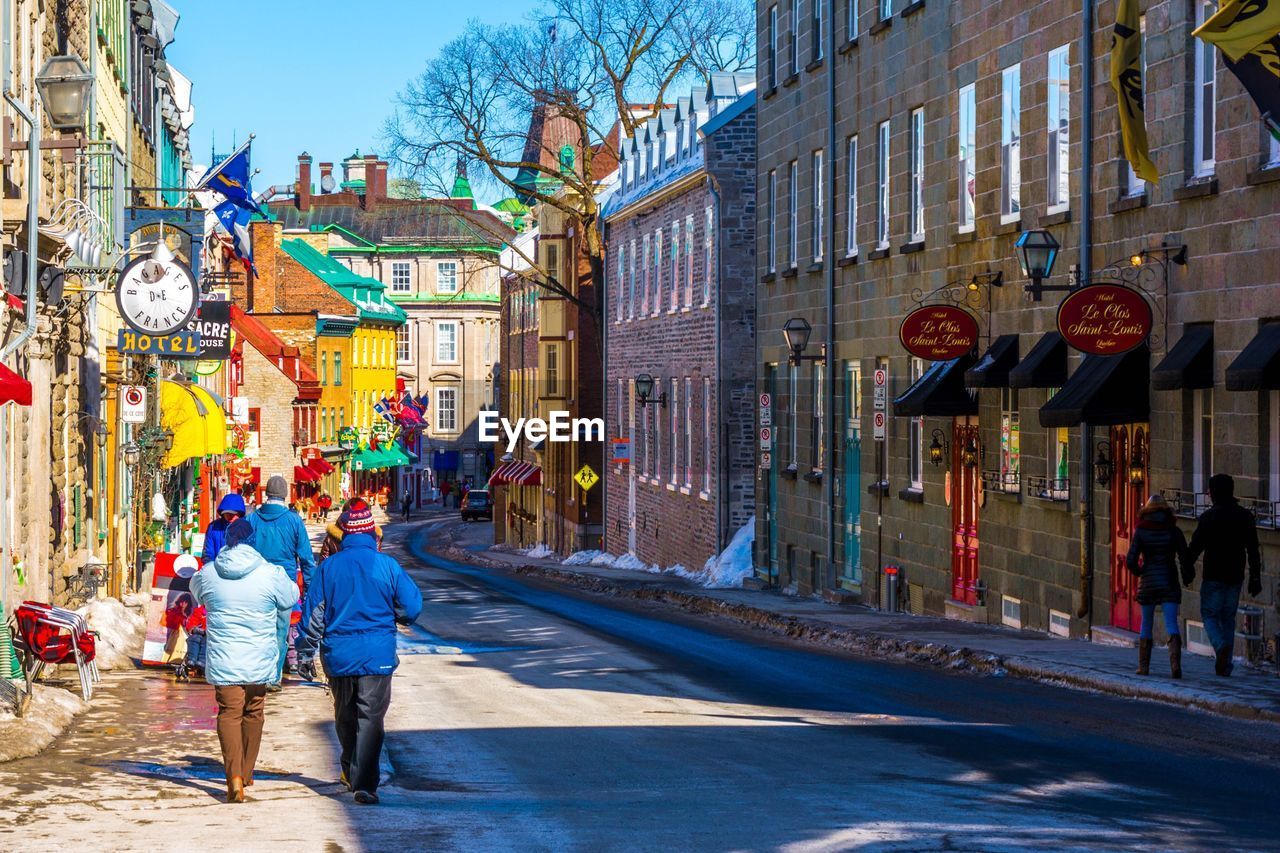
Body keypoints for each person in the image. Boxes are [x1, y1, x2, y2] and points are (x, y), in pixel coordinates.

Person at [296, 500, 423, 805]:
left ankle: (349, 767)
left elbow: (313, 614)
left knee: (344, 714)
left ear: (343, 533)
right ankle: (364, 782)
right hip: (377, 656)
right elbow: (412, 607)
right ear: (371, 532)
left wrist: (304, 651)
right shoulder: (387, 566)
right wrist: (396, 614)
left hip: (338, 655)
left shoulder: (329, 568)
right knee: (371, 717)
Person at [191, 520, 299, 803]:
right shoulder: (269, 573)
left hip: (225, 659)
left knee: (228, 712)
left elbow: (196, 590)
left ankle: (234, 777)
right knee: (254, 711)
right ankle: (248, 771)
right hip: (258, 659)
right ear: (254, 543)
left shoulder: (211, 572)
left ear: (227, 542)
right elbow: (290, 597)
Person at [1186, 473, 1263, 676]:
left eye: (1210, 490)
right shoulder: (1244, 516)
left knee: (1210, 614)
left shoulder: (1209, 517)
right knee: (1228, 618)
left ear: (1215, 492)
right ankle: (1225, 665)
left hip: (1214, 575)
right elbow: (1253, 549)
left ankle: (1220, 647)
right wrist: (1255, 576)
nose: (1208, 494)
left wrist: (1187, 568)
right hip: (1235, 575)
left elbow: (1195, 546)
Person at [248, 475, 316, 688]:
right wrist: (310, 588)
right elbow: (306, 558)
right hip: (284, 583)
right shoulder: (294, 520)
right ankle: (273, 676)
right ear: (285, 494)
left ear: (266, 493)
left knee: (257, 630)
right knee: (280, 630)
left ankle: (256, 674)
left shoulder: (252, 519)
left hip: (256, 582)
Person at [1125, 494, 1190, 678]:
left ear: (1147, 511)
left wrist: (1141, 571)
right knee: (1171, 623)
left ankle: (1143, 667)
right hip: (1169, 580)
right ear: (1166, 511)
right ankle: (1175, 665)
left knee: (1146, 623)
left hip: (1149, 582)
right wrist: (1187, 576)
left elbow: (1130, 560)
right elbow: (1184, 557)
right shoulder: (1173, 531)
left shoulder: (1141, 530)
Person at [202, 494, 247, 565]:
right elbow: (208, 553)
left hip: (241, 571)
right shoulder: (213, 527)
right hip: (217, 571)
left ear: (240, 513)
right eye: (227, 513)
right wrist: (211, 569)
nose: (230, 517)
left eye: (233, 514)